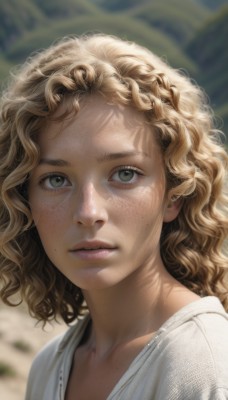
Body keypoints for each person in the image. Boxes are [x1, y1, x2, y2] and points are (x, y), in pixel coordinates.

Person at [0, 33, 228, 400]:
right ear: (23, 199)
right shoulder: (48, 368)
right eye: (56, 179)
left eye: (124, 174)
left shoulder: (204, 364)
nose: (88, 212)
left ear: (174, 193)